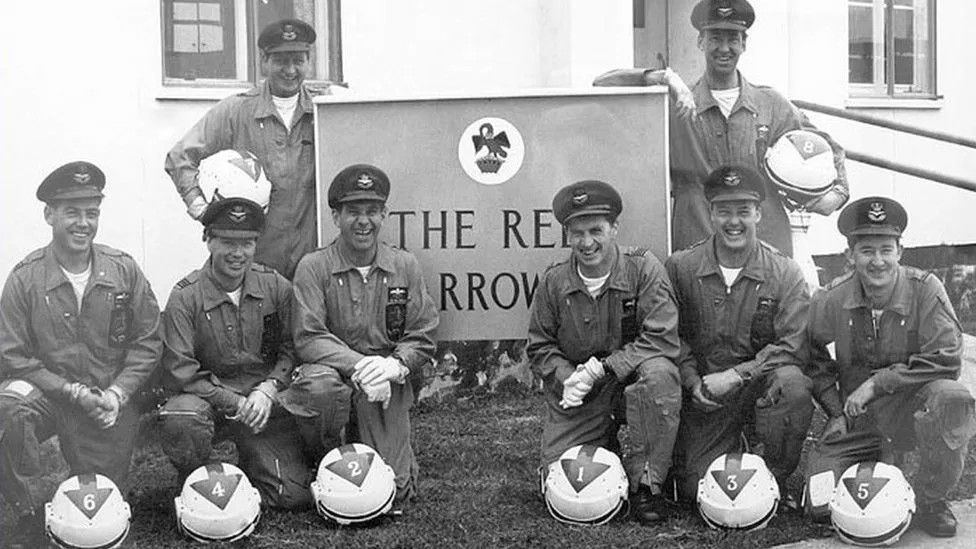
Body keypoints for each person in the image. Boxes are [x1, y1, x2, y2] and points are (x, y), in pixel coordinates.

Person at [593, 0, 848, 257]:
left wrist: (836, 193)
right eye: (715, 38)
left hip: (765, 242)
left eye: (733, 39)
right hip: (698, 240)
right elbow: (602, 83)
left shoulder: (770, 103)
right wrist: (662, 77)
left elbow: (824, 147)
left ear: (744, 44)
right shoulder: (676, 104)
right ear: (701, 42)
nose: (724, 48)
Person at [0, 161, 162, 546]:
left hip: (107, 398)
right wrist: (70, 392)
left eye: (91, 213)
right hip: (51, 396)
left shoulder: (124, 270)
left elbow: (148, 341)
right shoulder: (24, 278)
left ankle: (87, 489)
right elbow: (14, 356)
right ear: (49, 214)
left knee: (99, 501)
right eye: (72, 212)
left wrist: (117, 395)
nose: (82, 223)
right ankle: (29, 510)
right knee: (8, 408)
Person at [804, 196, 976, 537]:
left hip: (914, 412)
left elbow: (946, 357)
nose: (877, 261)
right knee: (819, 507)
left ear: (900, 250)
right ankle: (880, 463)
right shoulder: (833, 298)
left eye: (886, 249)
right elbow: (811, 351)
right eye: (867, 250)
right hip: (859, 418)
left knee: (952, 397)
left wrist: (877, 383)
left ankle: (931, 499)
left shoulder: (925, 290)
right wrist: (835, 410)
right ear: (850, 256)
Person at [157, 197, 335, 509]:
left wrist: (269, 388)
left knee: (291, 498)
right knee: (181, 415)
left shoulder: (275, 286)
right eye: (228, 242)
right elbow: (181, 370)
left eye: (248, 243)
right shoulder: (185, 297)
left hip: (263, 406)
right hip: (210, 402)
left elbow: (292, 347)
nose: (239, 254)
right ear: (208, 239)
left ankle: (272, 460)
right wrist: (234, 401)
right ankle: (192, 478)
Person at [527, 180, 682, 524]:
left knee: (660, 374)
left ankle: (647, 485)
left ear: (614, 228)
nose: (586, 243)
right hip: (582, 393)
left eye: (596, 230)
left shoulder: (643, 269)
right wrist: (567, 378)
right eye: (576, 233)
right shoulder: (553, 281)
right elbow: (540, 346)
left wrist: (602, 368)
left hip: (632, 382)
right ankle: (605, 444)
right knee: (562, 485)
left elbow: (662, 337)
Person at [292, 164, 438, 515]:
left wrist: (394, 366)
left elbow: (424, 330)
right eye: (353, 212)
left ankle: (368, 443)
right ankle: (322, 458)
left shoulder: (404, 265)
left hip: (385, 382)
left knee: (395, 491)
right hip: (336, 375)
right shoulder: (313, 267)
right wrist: (361, 366)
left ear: (384, 214)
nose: (363, 221)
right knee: (319, 389)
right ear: (335, 216)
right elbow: (309, 337)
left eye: (372, 211)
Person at [664, 165, 812, 503]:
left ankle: (775, 474)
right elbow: (669, 334)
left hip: (759, 385)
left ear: (758, 213)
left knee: (794, 386)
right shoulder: (681, 267)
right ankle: (726, 444)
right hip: (707, 393)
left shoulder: (785, 272)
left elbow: (793, 344)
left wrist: (737, 375)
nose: (734, 222)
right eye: (724, 211)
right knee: (693, 491)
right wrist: (690, 380)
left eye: (744, 211)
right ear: (710, 213)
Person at [165, 19, 324, 279]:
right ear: (264, 61)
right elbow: (179, 157)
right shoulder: (237, 111)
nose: (290, 70)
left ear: (309, 62)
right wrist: (203, 211)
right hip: (252, 268)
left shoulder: (321, 111)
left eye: (298, 60)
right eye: (281, 60)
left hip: (310, 271)